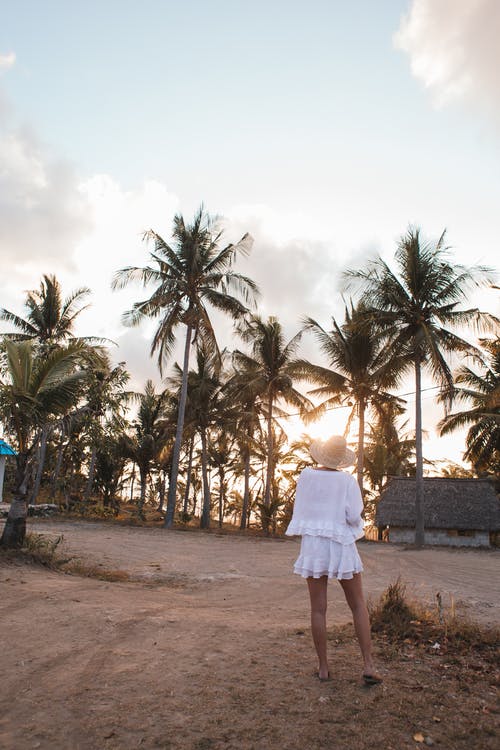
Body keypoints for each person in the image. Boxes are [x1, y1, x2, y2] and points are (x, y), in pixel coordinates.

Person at [286, 435, 382, 685]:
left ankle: (323, 668)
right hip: (340, 543)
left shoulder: (305, 477)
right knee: (358, 605)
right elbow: (352, 517)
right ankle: (369, 665)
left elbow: (301, 509)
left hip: (314, 545)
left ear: (321, 454)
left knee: (318, 609)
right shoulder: (347, 481)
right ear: (340, 459)